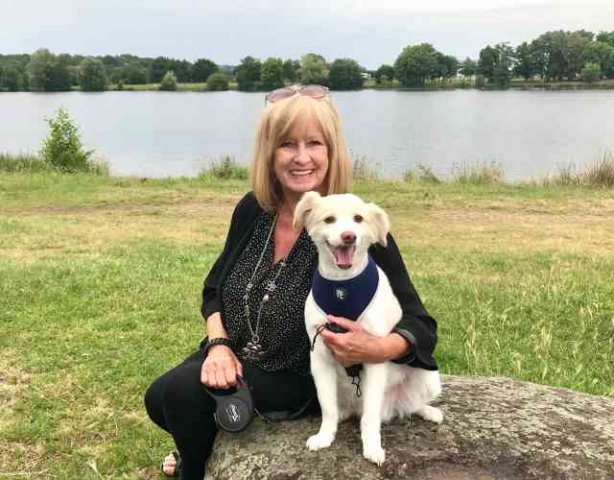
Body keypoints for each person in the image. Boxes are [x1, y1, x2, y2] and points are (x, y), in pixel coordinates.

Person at [144, 84, 439, 479]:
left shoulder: (353, 225)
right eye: (287, 144)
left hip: (298, 375)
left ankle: (193, 471)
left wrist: (376, 347)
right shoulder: (253, 209)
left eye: (314, 143)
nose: (302, 158)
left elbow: (421, 325)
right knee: (157, 398)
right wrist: (217, 345)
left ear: (331, 151)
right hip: (235, 350)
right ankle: (204, 443)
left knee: (182, 395)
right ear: (269, 153)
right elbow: (214, 289)